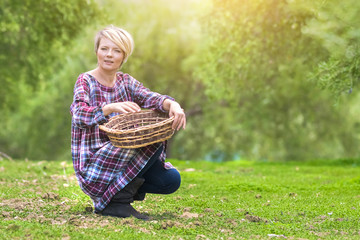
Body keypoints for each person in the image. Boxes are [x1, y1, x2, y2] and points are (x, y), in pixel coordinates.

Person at [70, 25, 186, 220]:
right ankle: (116, 202)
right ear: (97, 51)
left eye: (117, 51)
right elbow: (79, 114)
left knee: (170, 180)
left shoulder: (125, 81)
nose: (109, 55)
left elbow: (151, 97)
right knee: (150, 139)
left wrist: (173, 104)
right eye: (104, 48)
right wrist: (109, 107)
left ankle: (117, 196)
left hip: (121, 158)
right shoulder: (85, 81)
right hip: (94, 166)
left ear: (123, 57)